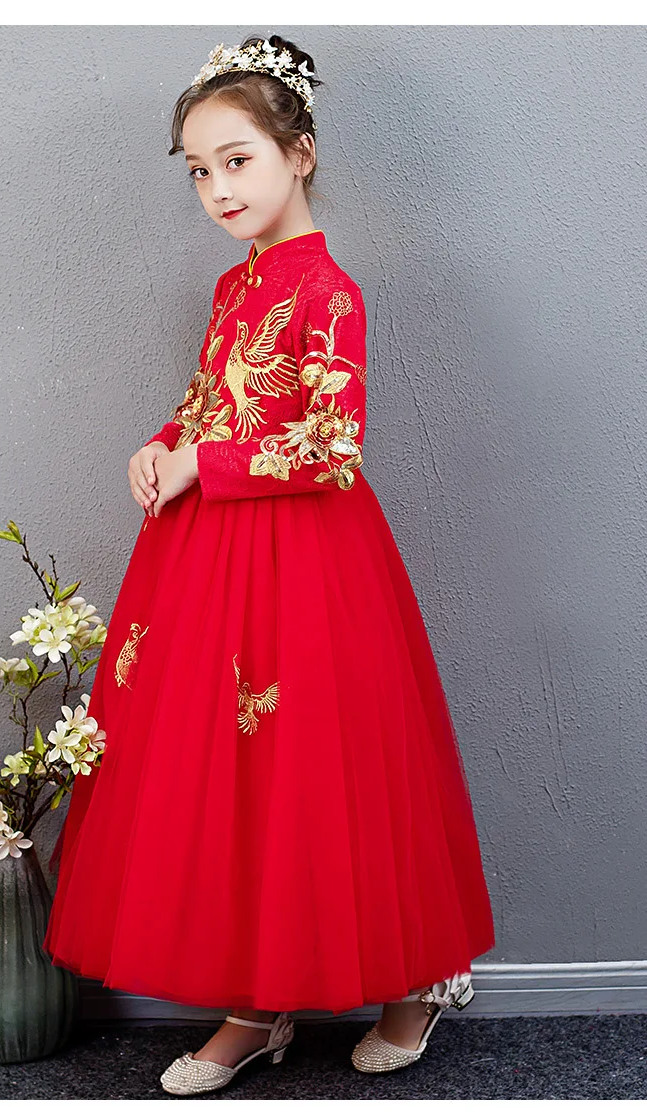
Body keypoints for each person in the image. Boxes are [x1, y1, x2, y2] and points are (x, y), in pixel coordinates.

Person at [42, 33, 496, 1096]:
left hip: (310, 564)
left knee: (328, 770)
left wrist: (202, 462)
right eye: (199, 171)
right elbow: (214, 399)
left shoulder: (330, 291)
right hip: (213, 562)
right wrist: (164, 440)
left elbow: (332, 446)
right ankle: (258, 1001)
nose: (217, 189)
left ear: (299, 153)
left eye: (237, 160)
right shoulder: (232, 286)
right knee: (233, 779)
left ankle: (418, 981)